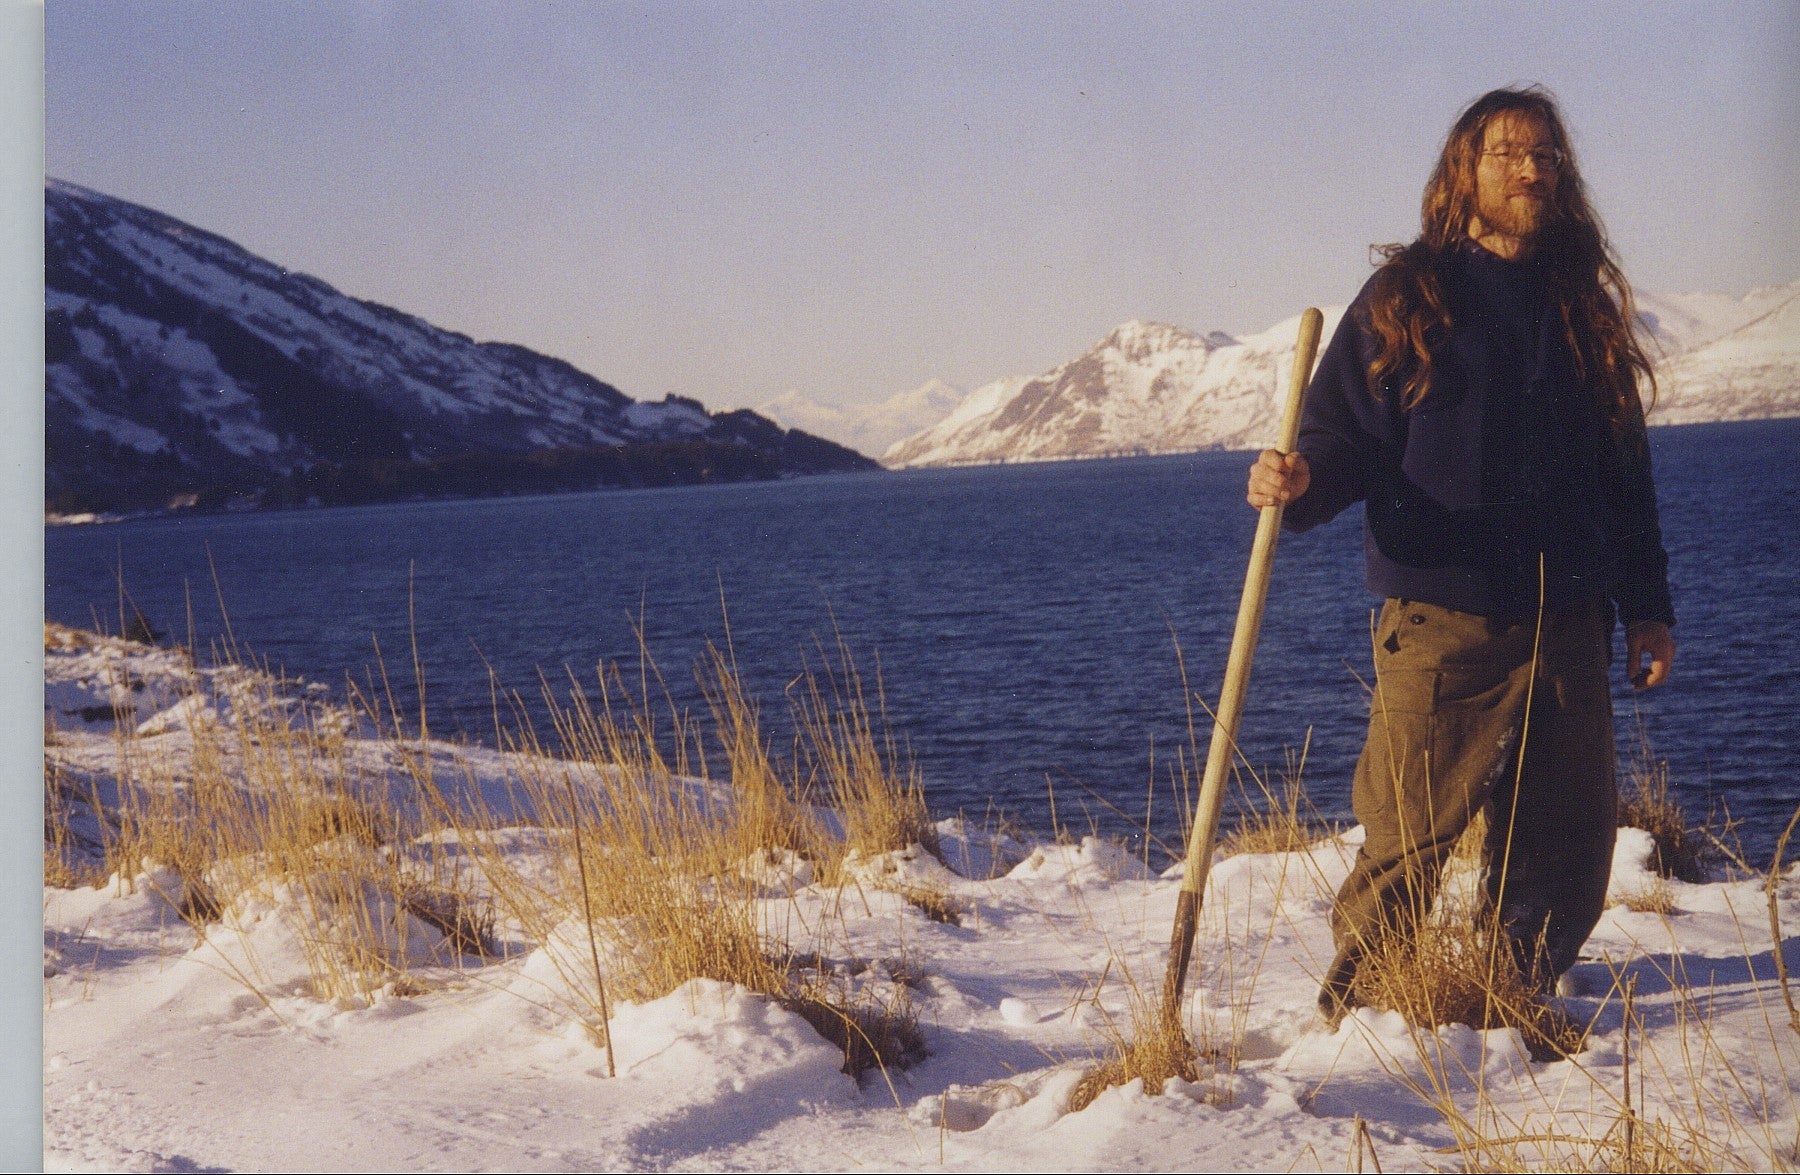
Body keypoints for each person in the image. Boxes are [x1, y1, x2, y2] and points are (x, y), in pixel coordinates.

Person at [1245, 87, 1677, 1029]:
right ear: (1463, 173)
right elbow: (1344, 437)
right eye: (1508, 154)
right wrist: (1302, 476)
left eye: (1546, 157)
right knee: (1407, 833)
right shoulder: (1410, 297)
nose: (1530, 171)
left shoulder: (1580, 305)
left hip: (1569, 620)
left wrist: (1649, 603)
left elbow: (1623, 471)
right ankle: (1365, 1019)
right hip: (1443, 622)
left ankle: (1512, 998)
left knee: (1565, 844)